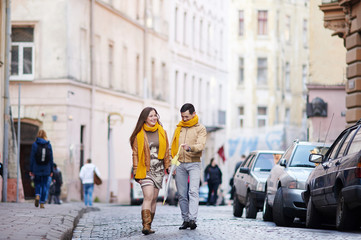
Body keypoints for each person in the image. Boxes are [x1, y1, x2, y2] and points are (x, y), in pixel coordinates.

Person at [130, 107, 170, 235]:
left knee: (153, 199)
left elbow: (167, 151)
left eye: (155, 115)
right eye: (151, 116)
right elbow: (135, 154)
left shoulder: (162, 132)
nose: (154, 118)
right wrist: (136, 173)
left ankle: (149, 224)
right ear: (145, 119)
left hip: (159, 170)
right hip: (145, 170)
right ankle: (145, 226)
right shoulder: (139, 135)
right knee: (148, 196)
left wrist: (168, 166)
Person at [171, 103, 207, 230]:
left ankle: (192, 219)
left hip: (194, 163)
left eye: (186, 117)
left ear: (194, 114)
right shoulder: (179, 127)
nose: (184, 119)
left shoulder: (200, 128)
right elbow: (173, 146)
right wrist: (173, 165)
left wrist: (190, 148)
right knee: (181, 193)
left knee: (193, 191)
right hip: (180, 163)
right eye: (182, 117)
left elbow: (201, 145)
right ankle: (185, 219)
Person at [29, 129, 54, 209]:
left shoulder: (35, 144)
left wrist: (31, 170)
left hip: (37, 168)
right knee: (44, 185)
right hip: (46, 168)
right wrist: (51, 170)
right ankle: (42, 202)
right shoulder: (48, 145)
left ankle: (37, 195)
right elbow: (51, 159)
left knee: (38, 184)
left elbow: (32, 158)